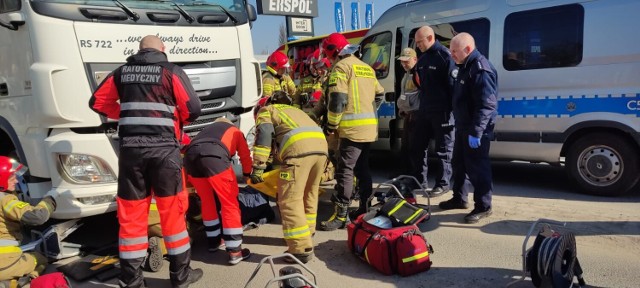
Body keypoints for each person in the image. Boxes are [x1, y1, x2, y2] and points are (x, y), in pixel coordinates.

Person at [88, 35, 203, 288]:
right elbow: (193, 109)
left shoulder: (122, 72)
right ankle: (180, 277)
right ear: (163, 50)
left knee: (131, 216)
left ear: (139, 50)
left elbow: (96, 102)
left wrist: (126, 113)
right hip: (164, 152)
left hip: (131, 154)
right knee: (172, 214)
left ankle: (132, 281)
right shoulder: (171, 72)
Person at [251, 92, 328, 263]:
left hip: (299, 152)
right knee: (310, 193)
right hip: (321, 149)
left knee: (289, 200)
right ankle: (307, 232)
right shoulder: (294, 111)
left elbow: (264, 135)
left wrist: (258, 166)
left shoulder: (267, 110)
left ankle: (301, 248)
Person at [318, 33, 384, 231]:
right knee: (363, 169)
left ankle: (341, 215)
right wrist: (367, 111)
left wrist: (330, 126)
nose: (328, 59)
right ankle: (364, 208)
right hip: (369, 129)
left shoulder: (340, 68)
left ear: (333, 52)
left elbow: (337, 100)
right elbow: (379, 94)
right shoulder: (365, 67)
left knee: (345, 170)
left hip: (351, 131)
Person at [438, 32, 498, 224]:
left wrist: (477, 131)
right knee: (459, 164)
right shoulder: (465, 65)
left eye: (454, 51)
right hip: (463, 126)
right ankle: (459, 198)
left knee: (478, 169)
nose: (451, 54)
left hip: (476, 130)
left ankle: (483, 206)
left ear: (468, 49)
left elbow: (486, 105)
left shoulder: (480, 70)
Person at [182, 117, 253, 265]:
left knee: (207, 201)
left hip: (191, 159)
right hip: (214, 157)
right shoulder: (235, 131)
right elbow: (245, 156)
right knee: (229, 203)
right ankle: (235, 251)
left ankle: (213, 242)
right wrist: (247, 175)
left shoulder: (206, 131)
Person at [412, 25, 457, 197]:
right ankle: (419, 180)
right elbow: (420, 85)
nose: (418, 46)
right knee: (418, 146)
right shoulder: (422, 60)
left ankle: (442, 183)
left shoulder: (445, 56)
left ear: (430, 38)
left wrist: (450, 111)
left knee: (443, 149)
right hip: (425, 111)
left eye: (420, 42)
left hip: (442, 112)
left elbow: (453, 88)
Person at [0, 157, 56, 286]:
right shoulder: (5, 200)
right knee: (40, 259)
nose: (15, 179)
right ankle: (14, 282)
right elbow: (37, 216)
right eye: (10, 177)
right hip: (4, 263)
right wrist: (50, 201)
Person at [395, 47, 421, 177]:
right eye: (402, 61)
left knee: (413, 148)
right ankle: (405, 173)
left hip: (416, 116)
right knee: (405, 147)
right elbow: (405, 94)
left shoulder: (418, 73)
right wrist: (402, 109)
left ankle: (413, 175)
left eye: (406, 61)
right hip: (408, 115)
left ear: (415, 59)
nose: (403, 63)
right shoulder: (407, 74)